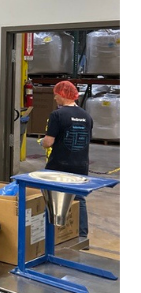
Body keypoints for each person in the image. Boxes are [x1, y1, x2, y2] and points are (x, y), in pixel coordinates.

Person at [42, 80, 93, 238]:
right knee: (78, 199)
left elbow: (48, 142)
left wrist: (43, 142)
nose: (55, 98)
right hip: (80, 165)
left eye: (56, 95)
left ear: (61, 95)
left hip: (59, 165)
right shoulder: (87, 116)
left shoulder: (57, 115)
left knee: (52, 199)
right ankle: (82, 235)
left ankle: (52, 236)